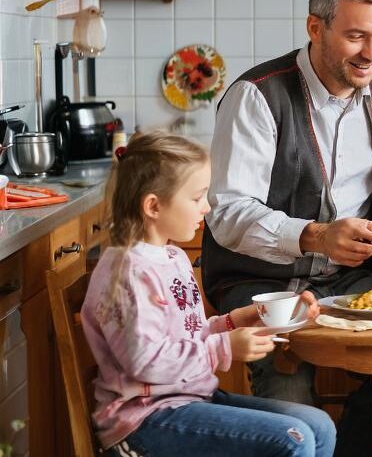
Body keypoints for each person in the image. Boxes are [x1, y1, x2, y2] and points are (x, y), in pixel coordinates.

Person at [202, 0, 372, 455]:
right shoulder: (257, 96)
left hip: (354, 277)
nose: (371, 53)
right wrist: (314, 234)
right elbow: (227, 214)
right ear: (316, 27)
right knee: (293, 398)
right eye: (357, 36)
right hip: (260, 279)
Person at [82, 131, 333, 456]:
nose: (207, 207)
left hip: (188, 400)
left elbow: (186, 336)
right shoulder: (130, 272)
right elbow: (146, 363)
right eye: (197, 197)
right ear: (154, 206)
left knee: (319, 426)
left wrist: (232, 323)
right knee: (292, 438)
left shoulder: (173, 258)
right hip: (144, 419)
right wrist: (222, 348)